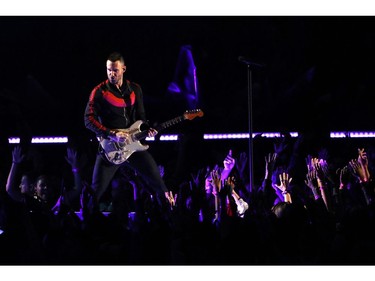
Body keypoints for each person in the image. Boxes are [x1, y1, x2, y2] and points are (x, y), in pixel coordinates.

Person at [84, 51, 175, 217]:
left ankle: (171, 218)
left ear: (124, 69)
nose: (112, 74)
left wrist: (149, 129)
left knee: (159, 183)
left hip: (133, 146)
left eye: (115, 70)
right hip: (110, 148)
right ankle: (87, 226)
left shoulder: (135, 89)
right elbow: (88, 120)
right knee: (95, 192)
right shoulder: (99, 91)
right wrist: (111, 133)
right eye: (109, 70)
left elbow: (141, 118)